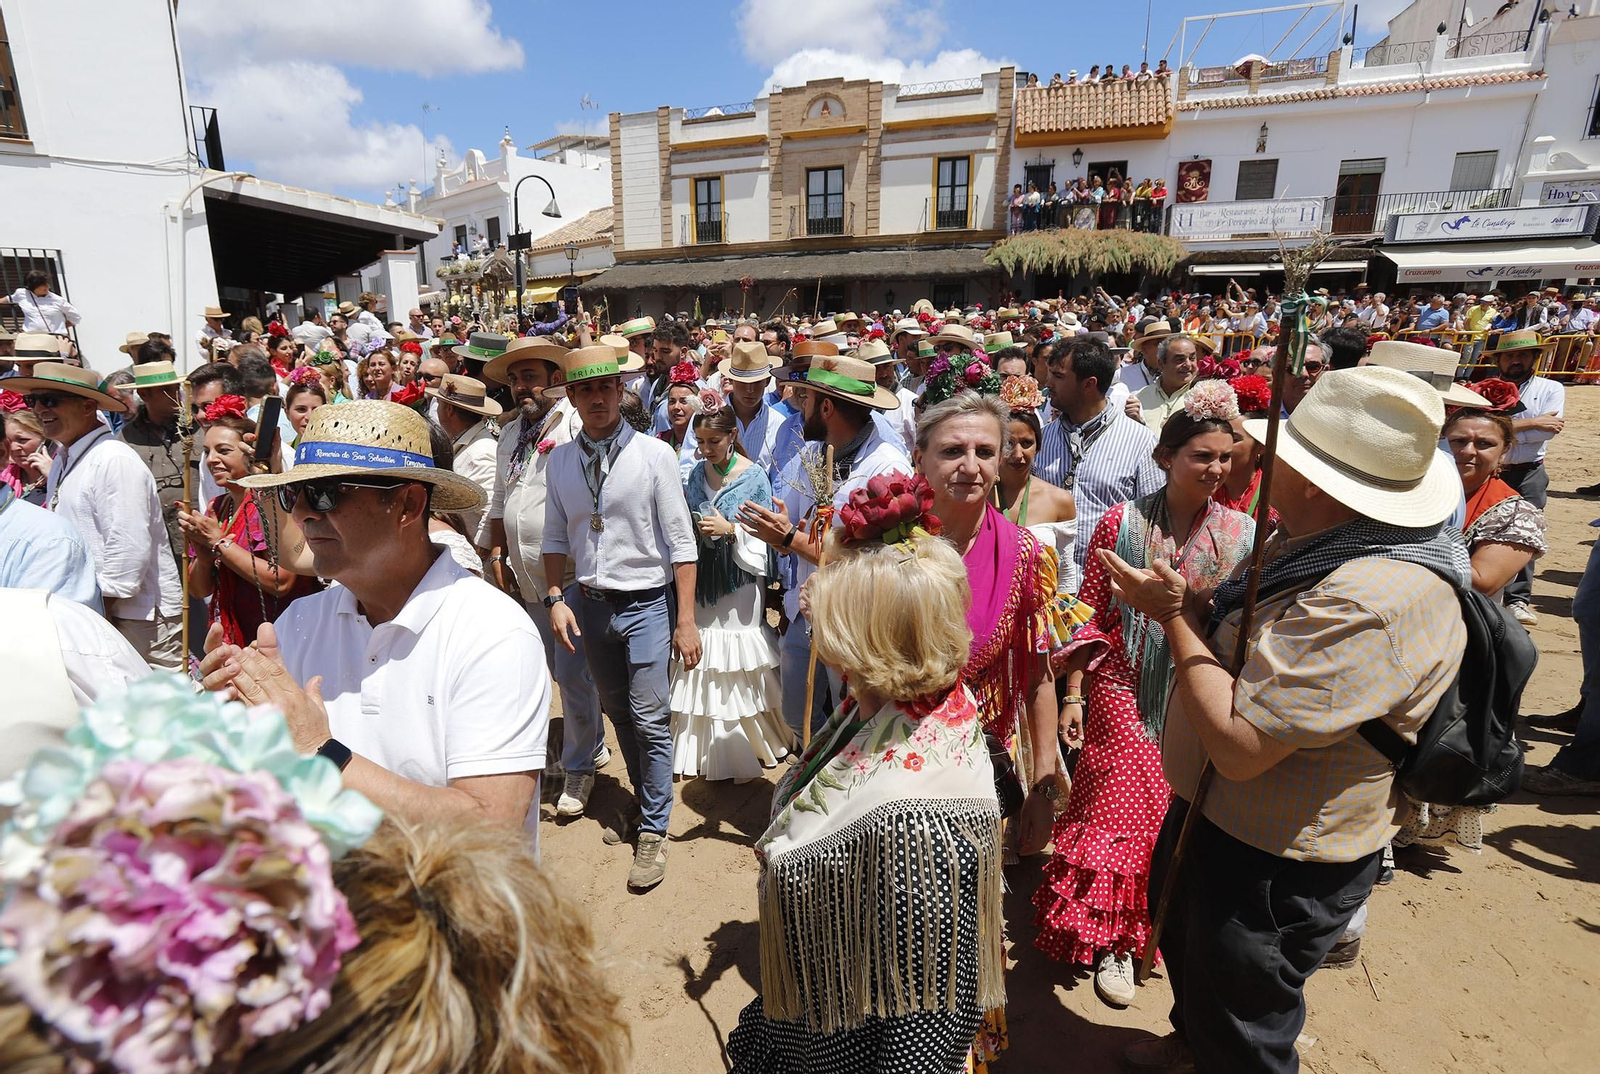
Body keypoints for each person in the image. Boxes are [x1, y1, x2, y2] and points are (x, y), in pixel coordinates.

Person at [1108, 366, 1469, 1074]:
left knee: (1244, 1016)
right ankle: (1192, 1046)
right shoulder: (1321, 544)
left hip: (1274, 855)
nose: (1255, 465)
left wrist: (1174, 619)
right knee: (1197, 962)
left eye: (1276, 457)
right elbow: (1255, 636)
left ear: (1314, 483)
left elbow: (1242, 747)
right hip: (1224, 819)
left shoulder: (1371, 596)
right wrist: (1205, 608)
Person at [200, 399, 551, 843]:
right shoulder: (298, 623)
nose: (302, 513)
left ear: (407, 505)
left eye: (326, 493)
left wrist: (320, 752)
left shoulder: (494, 632)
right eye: (293, 493)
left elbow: (487, 829)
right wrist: (239, 722)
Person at [727, 527, 1003, 1074]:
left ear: (872, 646)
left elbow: (922, 1021)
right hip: (827, 1008)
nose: (810, 612)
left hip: (848, 1044)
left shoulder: (918, 832)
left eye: (831, 615)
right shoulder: (898, 710)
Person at [1034, 381, 1255, 1009]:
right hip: (1122, 682)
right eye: (1200, 457)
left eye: (1224, 456)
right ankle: (1114, 943)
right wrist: (1075, 692)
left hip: (1200, 684)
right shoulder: (1120, 522)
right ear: (1165, 457)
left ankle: (1150, 932)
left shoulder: (1244, 538)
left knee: (1171, 813)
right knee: (1118, 806)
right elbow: (1093, 615)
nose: (1215, 468)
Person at [542, 343, 700, 892]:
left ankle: (653, 829)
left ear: (619, 392)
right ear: (572, 397)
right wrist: (555, 597)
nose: (596, 399)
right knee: (618, 712)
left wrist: (685, 619)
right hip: (589, 603)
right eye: (584, 390)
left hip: (647, 604)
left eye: (605, 388)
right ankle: (642, 800)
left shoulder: (656, 455)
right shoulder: (559, 460)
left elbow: (682, 542)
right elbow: (555, 536)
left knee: (651, 716)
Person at [738, 347, 911, 736]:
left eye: (808, 399)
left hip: (855, 620)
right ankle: (809, 774)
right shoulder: (814, 451)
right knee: (798, 714)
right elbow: (799, 525)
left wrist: (788, 537)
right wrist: (784, 532)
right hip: (804, 610)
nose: (799, 407)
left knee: (853, 721)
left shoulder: (886, 469)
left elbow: (874, 560)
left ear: (827, 408)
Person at [483, 337, 610, 818]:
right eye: (514, 379)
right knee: (555, 669)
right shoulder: (511, 432)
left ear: (556, 379)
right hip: (525, 574)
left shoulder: (574, 423)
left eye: (530, 376)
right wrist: (496, 550)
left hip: (571, 572)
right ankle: (591, 744)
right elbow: (500, 499)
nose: (521, 387)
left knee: (573, 672)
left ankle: (579, 766)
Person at [13, 362, 182, 668]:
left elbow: (128, 555)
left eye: (50, 400)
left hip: (133, 618)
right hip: (98, 614)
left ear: (88, 406)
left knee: (164, 707)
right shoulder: (66, 457)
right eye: (32, 400)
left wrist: (93, 614)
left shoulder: (112, 460)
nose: (39, 409)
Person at [670, 400, 792, 781]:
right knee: (705, 648)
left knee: (739, 652)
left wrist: (732, 531)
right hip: (703, 578)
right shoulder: (694, 474)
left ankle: (754, 742)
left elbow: (767, 534)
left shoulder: (754, 476)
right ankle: (701, 747)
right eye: (700, 441)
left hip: (741, 579)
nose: (706, 449)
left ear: (732, 436)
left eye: (714, 441)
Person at [178, 396, 318, 648]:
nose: (210, 460)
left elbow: (282, 581)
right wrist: (205, 554)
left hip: (283, 639)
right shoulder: (217, 508)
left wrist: (219, 542)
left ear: (250, 453)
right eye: (207, 451)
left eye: (223, 450)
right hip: (234, 641)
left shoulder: (276, 504)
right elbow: (199, 591)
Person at [1032, 337, 1164, 581]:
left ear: (1089, 384)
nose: (1048, 383)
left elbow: (1154, 524)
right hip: (1044, 588)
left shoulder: (1139, 442)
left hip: (1109, 594)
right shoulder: (1041, 439)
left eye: (1059, 376)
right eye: (1049, 374)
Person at [1486, 329, 1563, 626]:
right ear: (1500, 360)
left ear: (1534, 357)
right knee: (1485, 529)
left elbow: (1548, 431)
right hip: (1493, 471)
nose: (1515, 360)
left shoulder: (1551, 388)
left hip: (1530, 470)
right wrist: (1531, 422)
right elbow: (1482, 428)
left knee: (1526, 535)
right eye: (1509, 355)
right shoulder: (1483, 388)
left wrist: (1501, 428)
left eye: (1521, 354)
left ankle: (1518, 599)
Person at [996, 375, 1082, 594]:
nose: (1018, 454)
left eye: (1027, 443)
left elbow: (1066, 578)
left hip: (1041, 617)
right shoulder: (979, 497)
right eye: (1008, 443)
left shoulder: (1059, 501)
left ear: (1038, 446)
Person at [117, 360, 190, 572]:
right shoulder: (126, 439)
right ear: (145, 395)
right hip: (157, 545)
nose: (175, 394)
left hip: (199, 540)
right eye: (166, 390)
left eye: (176, 388)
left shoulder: (196, 429)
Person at [427, 373, 501, 554]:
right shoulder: (468, 444)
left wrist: (478, 553)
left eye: (439, 404)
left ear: (449, 410)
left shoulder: (481, 450)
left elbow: (493, 508)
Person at [720, 340, 786, 478]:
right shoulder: (708, 416)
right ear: (731, 380)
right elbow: (688, 465)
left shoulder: (779, 423)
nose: (750, 390)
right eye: (743, 382)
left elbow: (781, 475)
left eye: (756, 383)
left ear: (767, 382)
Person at [1131, 334, 1202, 430]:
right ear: (1161, 364)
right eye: (1180, 360)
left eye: (1192, 358)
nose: (1188, 364)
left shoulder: (1205, 397)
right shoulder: (1140, 397)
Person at [2, 271, 80, 336]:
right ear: (32, 287)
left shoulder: (57, 300)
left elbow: (75, 317)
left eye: (47, 284)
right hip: (31, 337)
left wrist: (62, 327)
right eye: (43, 285)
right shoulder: (21, 294)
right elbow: (7, 299)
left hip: (54, 338)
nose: (48, 287)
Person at [2, 405, 51, 505]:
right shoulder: (4, 475)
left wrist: (54, 477)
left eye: (22, 440)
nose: (14, 448)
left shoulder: (63, 474)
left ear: (45, 441)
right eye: (9, 442)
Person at [284, 373, 326, 441]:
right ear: (287, 413)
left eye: (316, 410)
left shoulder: (339, 449)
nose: (309, 417)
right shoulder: (284, 450)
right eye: (301, 409)